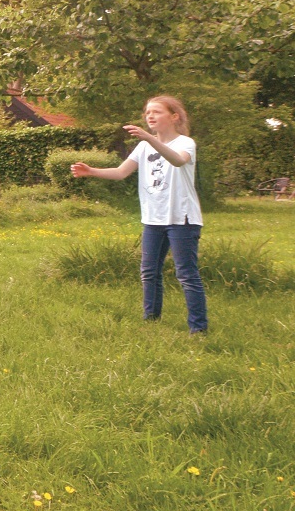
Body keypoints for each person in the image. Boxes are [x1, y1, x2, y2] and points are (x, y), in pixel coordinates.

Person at [72, 94, 206, 334]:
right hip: (153, 219)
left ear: (174, 117)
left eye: (157, 112)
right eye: (148, 112)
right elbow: (121, 172)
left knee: (186, 274)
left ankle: (198, 329)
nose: (150, 116)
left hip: (182, 219)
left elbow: (177, 161)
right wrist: (91, 171)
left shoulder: (185, 143)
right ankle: (151, 321)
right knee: (149, 272)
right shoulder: (143, 146)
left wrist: (148, 138)